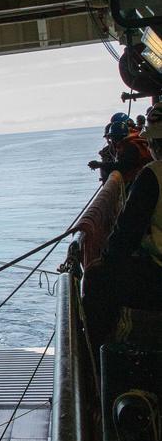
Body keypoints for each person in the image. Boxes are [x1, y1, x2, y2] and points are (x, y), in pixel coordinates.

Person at [82, 103, 162, 356]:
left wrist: (106, 261)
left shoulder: (153, 175)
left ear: (155, 144)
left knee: (97, 278)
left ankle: (93, 361)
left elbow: (125, 236)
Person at [90, 117, 151, 187]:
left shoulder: (130, 146)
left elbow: (122, 166)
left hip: (141, 180)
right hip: (143, 175)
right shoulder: (130, 142)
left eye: (112, 137)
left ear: (116, 137)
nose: (111, 140)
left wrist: (100, 164)